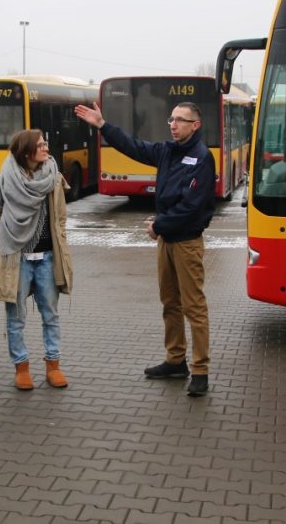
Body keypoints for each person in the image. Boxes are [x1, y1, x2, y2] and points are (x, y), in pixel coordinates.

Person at [74, 101, 215, 397]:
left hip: (187, 242)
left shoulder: (202, 158)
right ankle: (175, 360)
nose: (173, 125)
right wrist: (103, 126)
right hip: (167, 241)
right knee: (170, 303)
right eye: (171, 119)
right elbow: (134, 147)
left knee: (194, 307)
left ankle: (200, 370)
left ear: (195, 125)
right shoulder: (167, 151)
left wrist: (158, 225)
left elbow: (192, 207)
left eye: (180, 120)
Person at [0, 129, 74, 391]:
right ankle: (21, 367)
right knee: (16, 317)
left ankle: (53, 365)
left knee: (51, 315)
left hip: (47, 258)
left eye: (46, 144)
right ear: (26, 152)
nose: (46, 148)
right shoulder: (3, 181)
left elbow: (60, 219)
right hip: (16, 258)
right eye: (40, 145)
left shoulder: (53, 178)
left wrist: (61, 245)